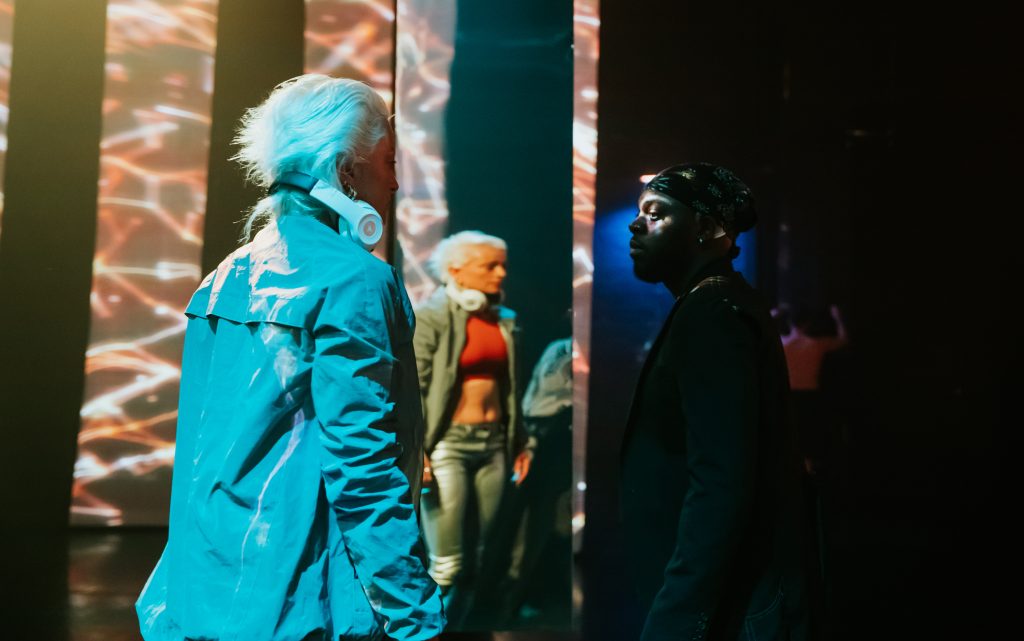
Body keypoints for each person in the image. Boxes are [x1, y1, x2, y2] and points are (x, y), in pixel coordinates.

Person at [135, 74, 444, 641]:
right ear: (348, 171)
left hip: (204, 593)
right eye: (388, 160)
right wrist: (415, 615)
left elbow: (200, 457)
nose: (396, 183)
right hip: (305, 600)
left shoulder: (223, 276)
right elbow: (364, 462)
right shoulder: (356, 280)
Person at [621, 162, 809, 641]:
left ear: (706, 228)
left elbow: (722, 483)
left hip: (728, 605)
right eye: (641, 211)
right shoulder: (714, 304)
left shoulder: (713, 314)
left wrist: (678, 615)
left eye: (657, 213)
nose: (635, 224)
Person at [413, 230, 533, 629]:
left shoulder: (504, 321)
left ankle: (465, 630)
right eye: (490, 266)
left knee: (486, 556)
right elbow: (417, 387)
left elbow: (512, 388)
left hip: (494, 444)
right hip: (447, 445)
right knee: (447, 563)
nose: (500, 274)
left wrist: (521, 442)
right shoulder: (431, 317)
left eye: (504, 266)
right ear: (456, 271)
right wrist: (418, 451)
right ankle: (428, 634)